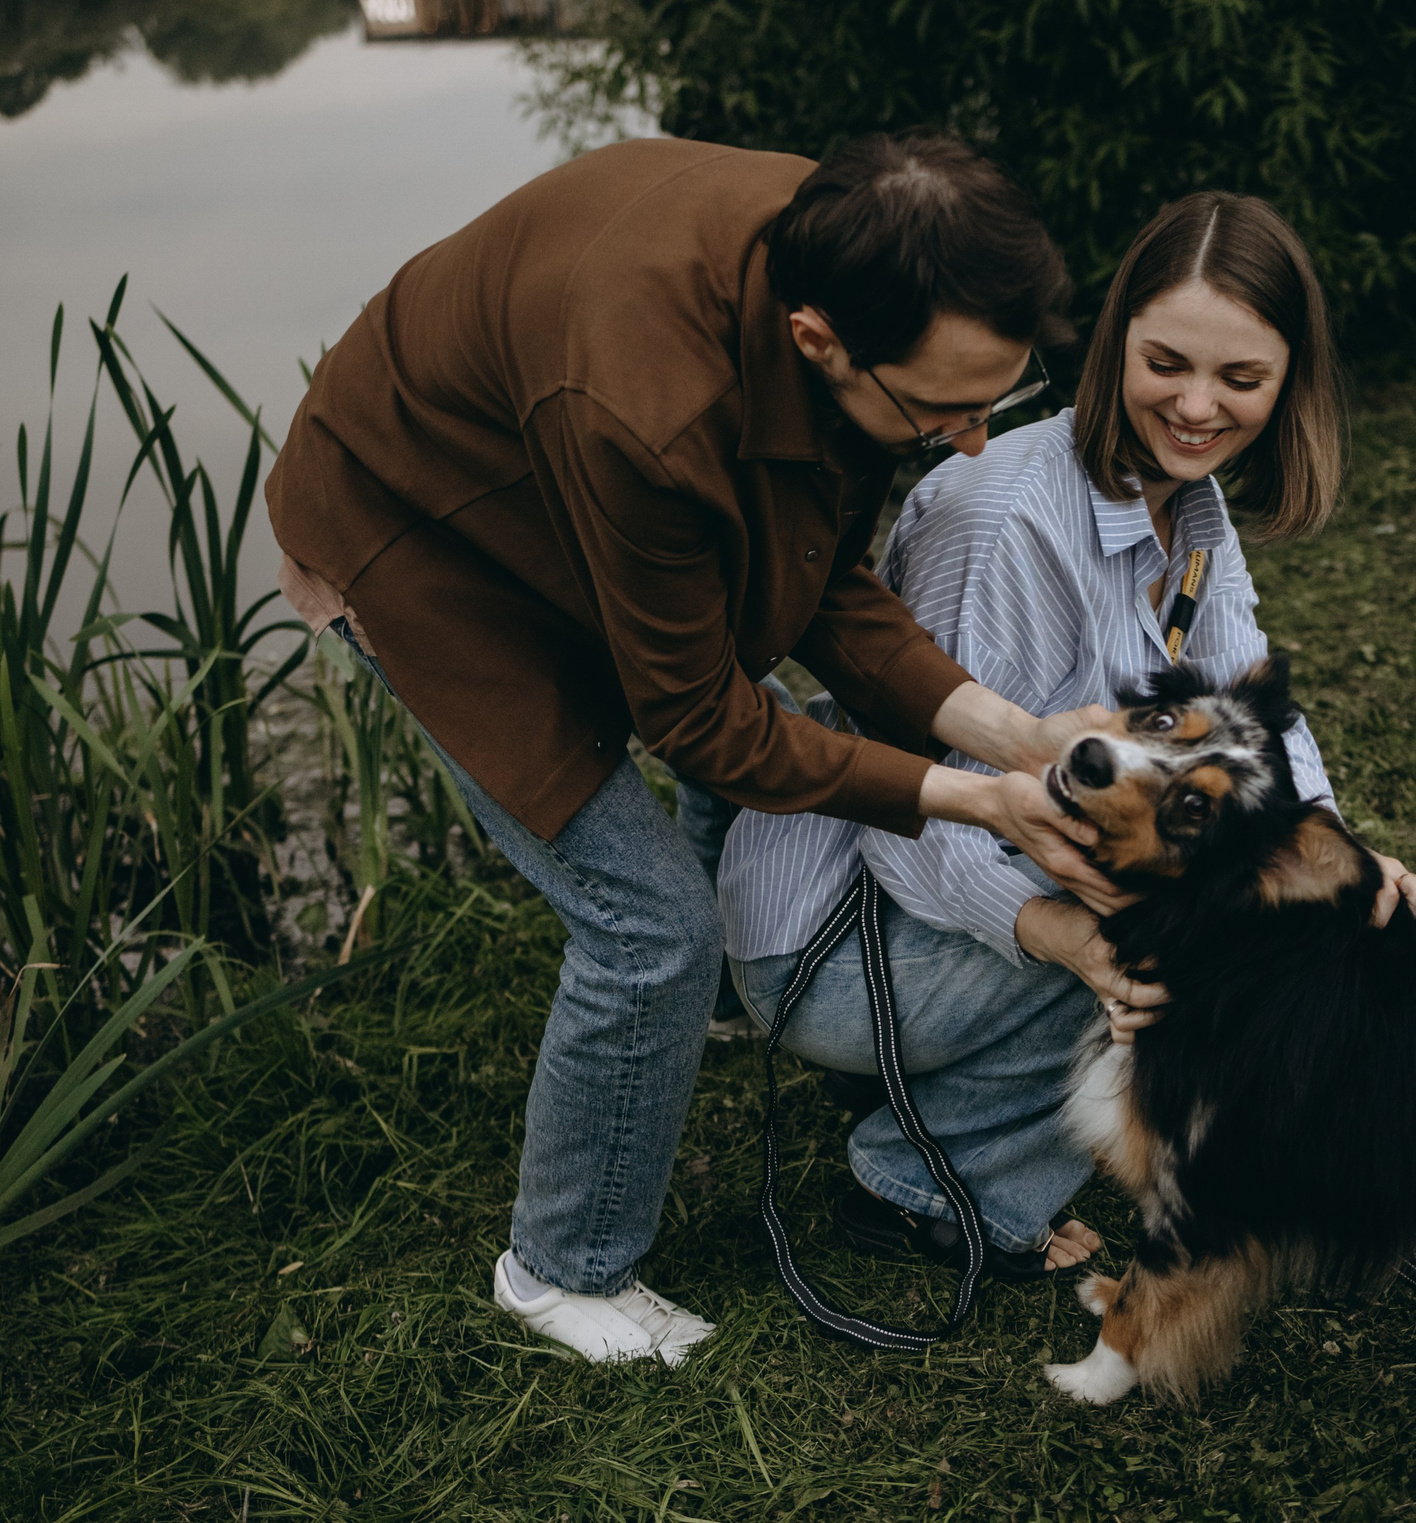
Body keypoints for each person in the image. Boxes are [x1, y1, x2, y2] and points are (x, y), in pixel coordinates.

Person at [264, 133, 1134, 1367]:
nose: (979, 440)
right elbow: (703, 727)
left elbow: (820, 576)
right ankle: (559, 1270)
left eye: (996, 397)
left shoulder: (856, 240)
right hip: (422, 527)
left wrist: (1016, 735)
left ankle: (715, 1009)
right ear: (818, 339)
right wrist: (977, 800)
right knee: (646, 924)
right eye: (941, 412)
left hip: (557, 442)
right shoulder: (645, 408)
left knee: (721, 711)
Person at [716, 191, 1416, 1280]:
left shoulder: (1184, 503)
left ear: (1289, 380)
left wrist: (1334, 854)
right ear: (1114, 345)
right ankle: (926, 1185)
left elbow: (1245, 722)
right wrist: (1066, 936)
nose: (1198, 406)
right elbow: (907, 820)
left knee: (1278, 903)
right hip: (826, 941)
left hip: (942, 901)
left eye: (1241, 380)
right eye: (1167, 365)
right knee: (1181, 936)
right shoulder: (1005, 516)